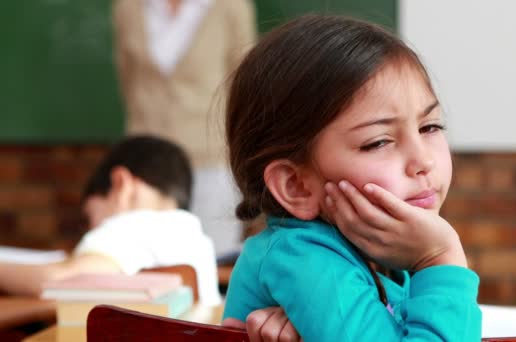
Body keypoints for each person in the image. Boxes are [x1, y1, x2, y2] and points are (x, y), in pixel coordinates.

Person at [221, 15, 482, 340]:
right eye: (379, 142)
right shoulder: (303, 257)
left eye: (429, 127)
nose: (423, 160)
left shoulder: (382, 251)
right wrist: (441, 258)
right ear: (296, 186)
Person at [0, 135, 221, 306]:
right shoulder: (194, 234)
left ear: (120, 184)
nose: (91, 230)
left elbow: (56, 281)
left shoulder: (128, 227)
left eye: (90, 217)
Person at [112, 0, 258, 258]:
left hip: (211, 157)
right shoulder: (129, 7)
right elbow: (127, 77)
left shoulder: (230, 6)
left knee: (213, 260)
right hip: (147, 161)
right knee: (146, 260)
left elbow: (245, 81)